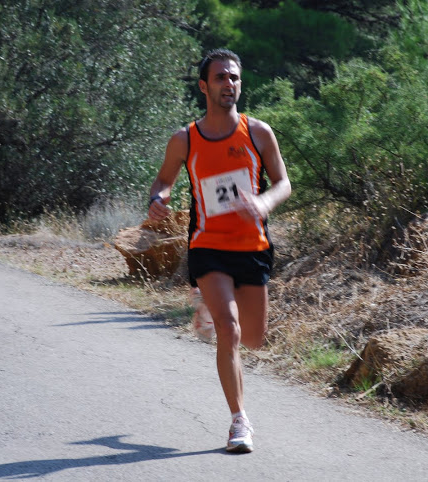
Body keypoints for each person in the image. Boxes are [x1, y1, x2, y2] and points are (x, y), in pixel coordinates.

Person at [147, 48, 291, 453]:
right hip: (207, 246)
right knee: (229, 330)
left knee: (256, 340)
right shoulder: (185, 139)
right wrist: (159, 199)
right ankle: (239, 422)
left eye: (235, 78)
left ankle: (213, 306)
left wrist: (263, 203)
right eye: (221, 78)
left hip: (252, 246)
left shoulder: (258, 132)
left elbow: (283, 183)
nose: (229, 84)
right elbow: (163, 181)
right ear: (204, 86)